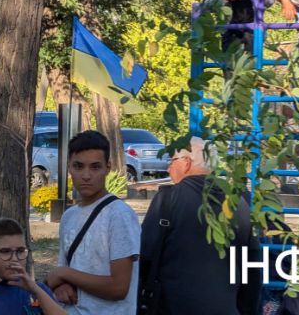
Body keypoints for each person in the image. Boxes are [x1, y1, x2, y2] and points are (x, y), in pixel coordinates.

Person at [137, 138, 259, 315]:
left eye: (172, 161)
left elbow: (145, 255)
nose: (168, 168)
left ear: (186, 163)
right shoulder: (238, 204)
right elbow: (251, 269)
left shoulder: (168, 200)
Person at [45, 130, 140, 314]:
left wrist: (66, 275)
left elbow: (119, 288)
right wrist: (59, 286)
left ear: (108, 168)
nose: (86, 175)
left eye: (95, 167)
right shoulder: (69, 216)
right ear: (69, 167)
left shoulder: (119, 215)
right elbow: (63, 272)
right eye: (79, 166)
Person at [0, 218, 66, 315]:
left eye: (20, 251)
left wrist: (36, 291)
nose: (15, 258)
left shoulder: (37, 289)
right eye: (5, 252)